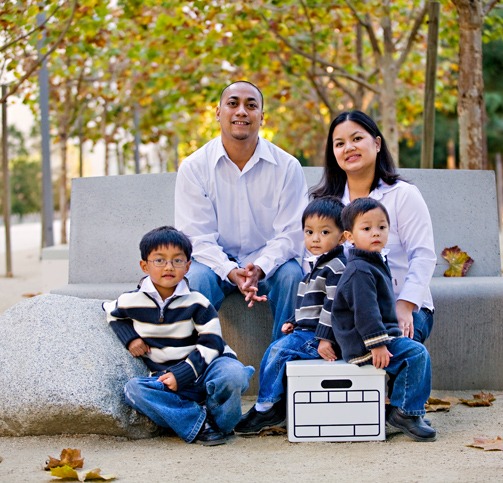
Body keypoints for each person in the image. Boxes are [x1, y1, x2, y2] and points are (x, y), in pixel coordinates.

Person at [175, 81, 308, 342]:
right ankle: (196, 366)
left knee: (293, 275)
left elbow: (292, 234)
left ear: (262, 116)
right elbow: (195, 237)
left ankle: (283, 363)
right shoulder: (194, 167)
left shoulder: (287, 166)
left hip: (269, 263)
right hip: (214, 263)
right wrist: (229, 270)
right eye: (233, 103)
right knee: (195, 278)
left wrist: (259, 267)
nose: (241, 112)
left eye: (251, 105)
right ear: (218, 112)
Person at [103, 226, 254, 446]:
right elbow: (110, 312)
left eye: (177, 260)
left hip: (207, 368)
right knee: (133, 390)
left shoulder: (197, 302)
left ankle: (218, 424)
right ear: (144, 265)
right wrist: (131, 338)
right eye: (159, 260)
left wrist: (182, 373)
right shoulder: (130, 301)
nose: (169, 267)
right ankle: (199, 423)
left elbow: (212, 342)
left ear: (188, 266)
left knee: (234, 374)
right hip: (166, 377)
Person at [310, 110, 437, 344]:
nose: (348, 147)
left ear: (377, 143)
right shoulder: (326, 205)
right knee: (287, 352)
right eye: (340, 143)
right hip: (345, 314)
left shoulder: (403, 195)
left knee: (400, 353)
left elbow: (423, 255)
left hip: (402, 305)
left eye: (357, 139)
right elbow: (313, 259)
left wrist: (405, 305)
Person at [234, 197, 347, 436]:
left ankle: (267, 406)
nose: (315, 238)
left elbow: (334, 306)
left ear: (343, 236)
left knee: (279, 351)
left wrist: (326, 338)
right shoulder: (314, 267)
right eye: (309, 232)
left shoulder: (337, 267)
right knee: (278, 347)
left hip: (323, 336)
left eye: (325, 232)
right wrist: (293, 322)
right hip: (308, 331)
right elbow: (309, 305)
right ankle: (271, 402)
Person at [331, 198, 436, 442]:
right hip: (362, 343)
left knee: (412, 351)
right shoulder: (359, 270)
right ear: (350, 237)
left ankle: (409, 408)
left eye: (382, 227)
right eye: (366, 229)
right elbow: (365, 312)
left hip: (378, 335)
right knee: (416, 354)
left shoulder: (373, 261)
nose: (375, 233)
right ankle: (404, 412)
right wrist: (377, 344)